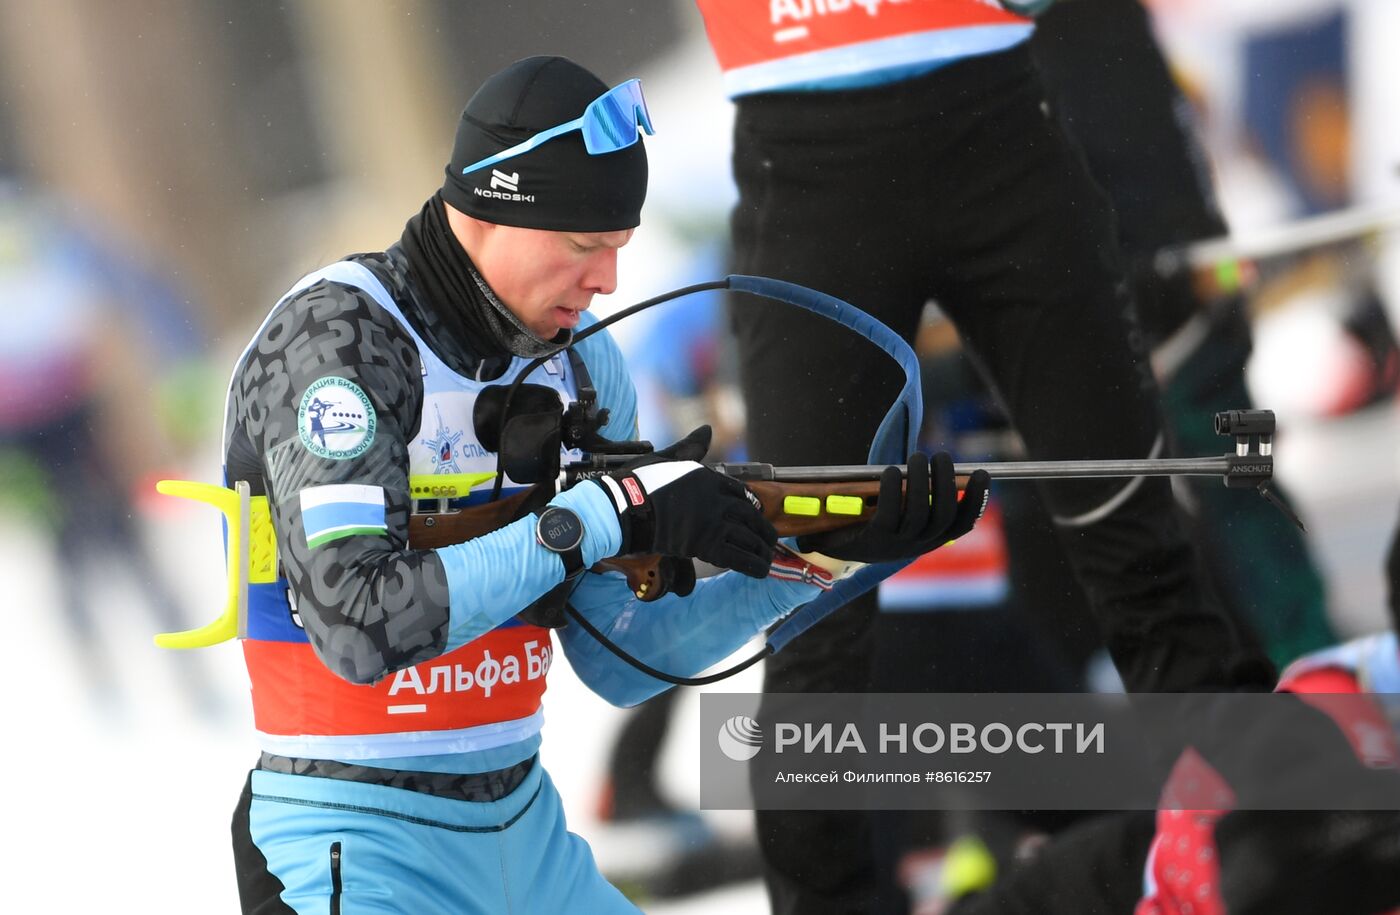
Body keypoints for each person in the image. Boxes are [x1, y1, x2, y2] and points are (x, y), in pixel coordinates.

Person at [220, 56, 989, 913]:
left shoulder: (582, 363)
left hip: (527, 837)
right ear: (490, 207)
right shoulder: (341, 341)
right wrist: (606, 511)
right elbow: (359, 626)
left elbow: (624, 655)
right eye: (585, 246)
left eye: (618, 250)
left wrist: (821, 559)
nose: (606, 282)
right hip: (355, 841)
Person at [692, 2, 1277, 911]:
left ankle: (1266, 863)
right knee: (813, 609)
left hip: (999, 120)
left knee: (1140, 548)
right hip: (803, 155)